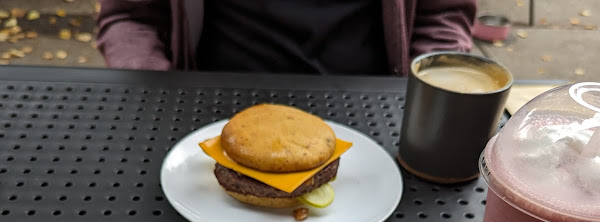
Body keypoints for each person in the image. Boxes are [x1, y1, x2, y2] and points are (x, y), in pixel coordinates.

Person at [96, 0, 477, 76]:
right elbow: (130, 16)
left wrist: (429, 93)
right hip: (202, 110)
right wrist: (154, 91)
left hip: (375, 112)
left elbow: (441, 15)